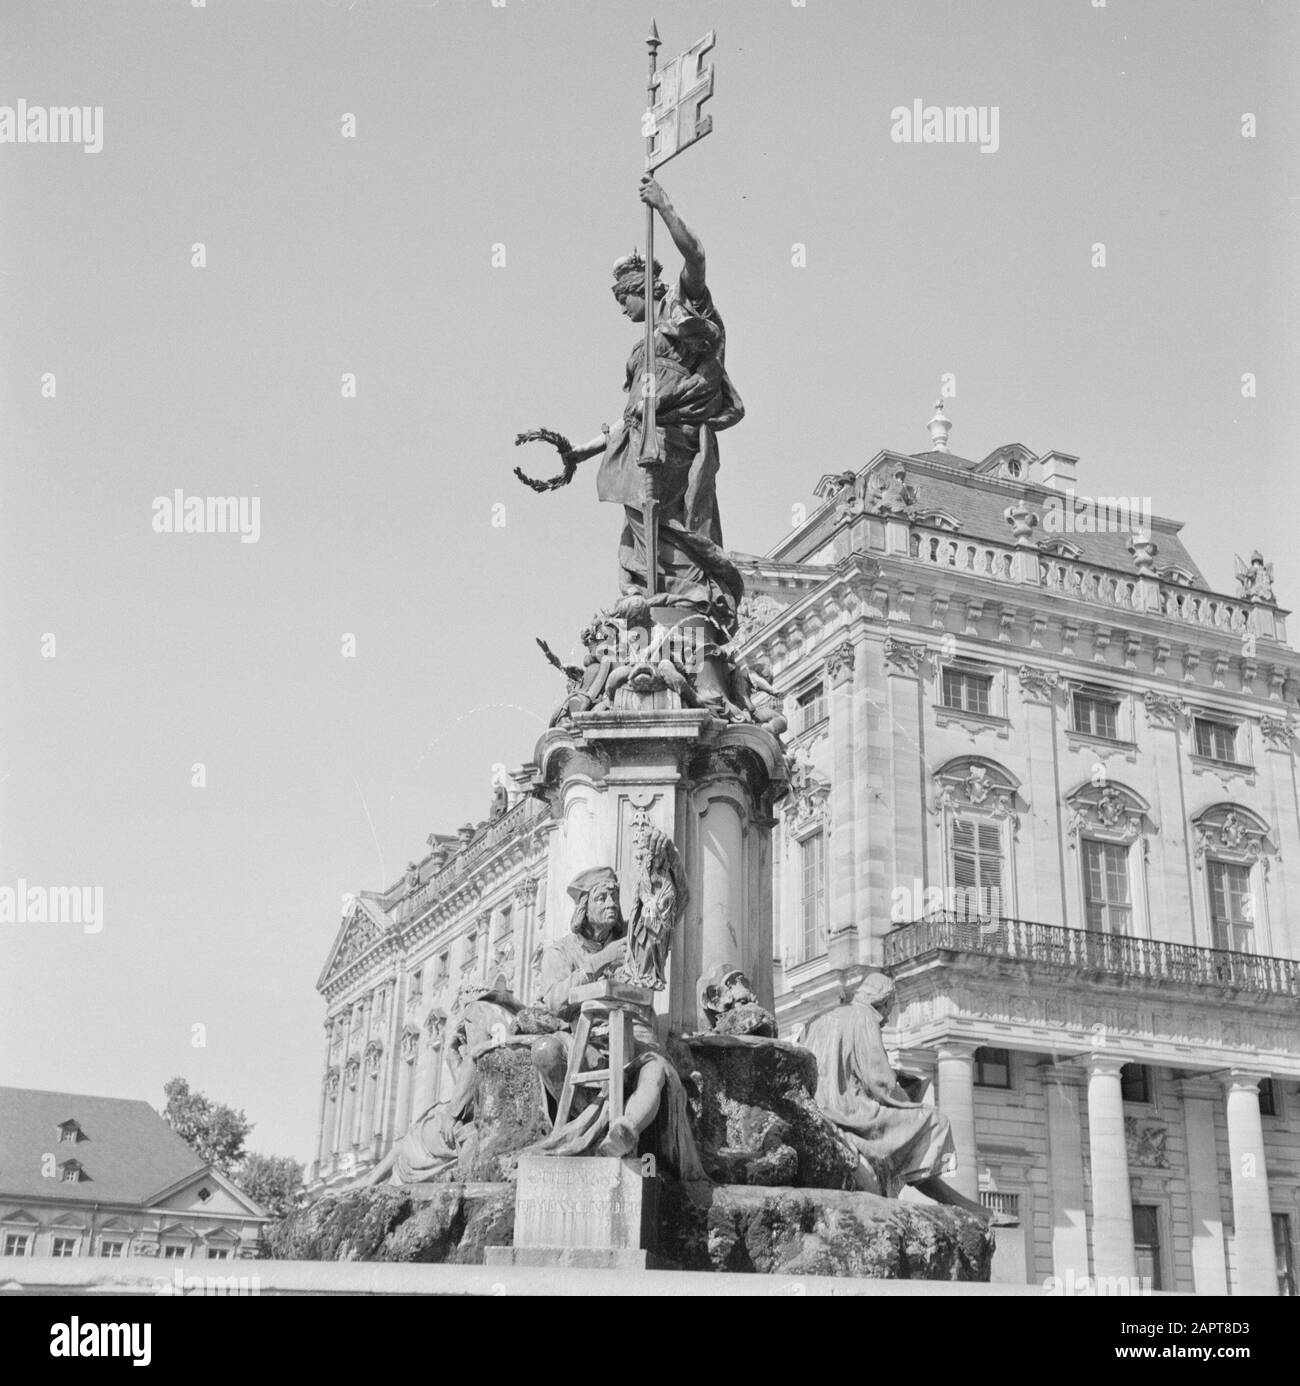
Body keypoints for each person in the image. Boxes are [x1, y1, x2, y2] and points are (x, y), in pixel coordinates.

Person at [562, 177, 746, 639]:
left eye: (624, 299)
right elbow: (630, 422)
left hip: (676, 447)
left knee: (673, 530)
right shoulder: (640, 350)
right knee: (640, 541)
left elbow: (697, 256)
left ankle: (687, 604)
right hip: (644, 449)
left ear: (639, 287)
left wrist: (663, 206)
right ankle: (661, 608)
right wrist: (578, 452)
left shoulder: (682, 308)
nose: (623, 310)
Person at [530, 866, 705, 1180]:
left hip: (636, 1040)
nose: (611, 902)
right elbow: (555, 1001)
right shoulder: (560, 952)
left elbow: (674, 907)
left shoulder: (634, 941)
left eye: (614, 895)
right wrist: (599, 962)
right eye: (602, 896)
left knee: (656, 1070)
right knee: (546, 1050)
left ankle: (625, 1129)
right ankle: (590, 1123)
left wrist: (665, 865)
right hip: (590, 1043)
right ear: (584, 908)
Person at [803, 973, 988, 1213]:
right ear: (886, 1001)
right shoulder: (864, 1016)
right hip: (851, 1113)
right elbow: (880, 1081)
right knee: (933, 1122)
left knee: (914, 1132)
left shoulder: (819, 1019)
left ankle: (953, 1200)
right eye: (890, 1008)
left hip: (817, 1108)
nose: (887, 1019)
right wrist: (906, 1098)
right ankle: (956, 1202)